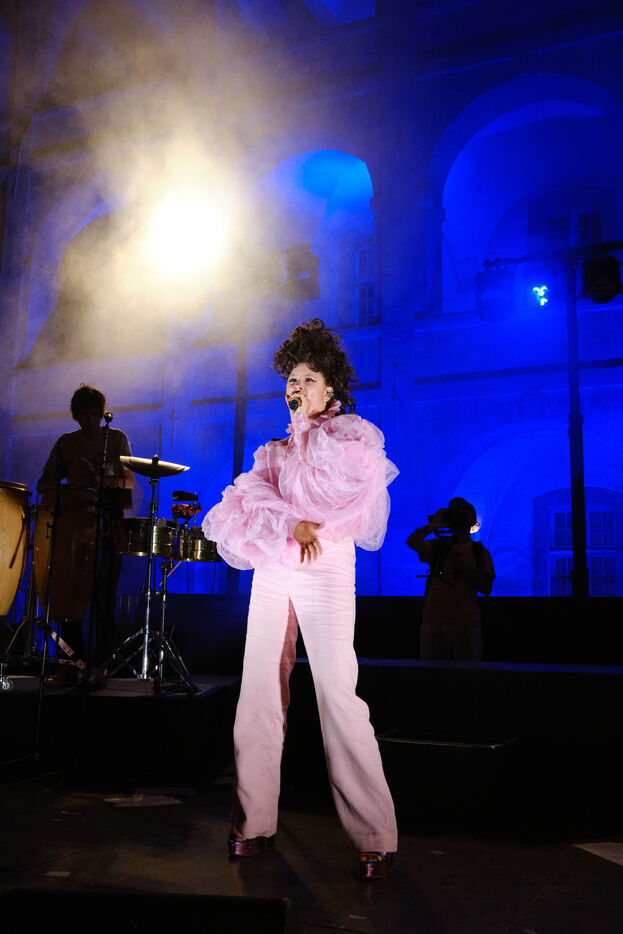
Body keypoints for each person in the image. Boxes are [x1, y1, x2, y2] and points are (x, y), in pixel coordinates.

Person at [202, 318, 398, 879]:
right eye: (292, 379)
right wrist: (291, 521)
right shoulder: (274, 451)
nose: (297, 387)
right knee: (259, 690)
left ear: (330, 387)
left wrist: (298, 505)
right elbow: (248, 500)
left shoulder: (349, 439)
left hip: (325, 564)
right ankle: (253, 823)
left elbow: (339, 496)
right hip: (275, 565)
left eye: (309, 379)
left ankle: (375, 835)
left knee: (337, 691)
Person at [37, 384, 134, 682]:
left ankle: (101, 665)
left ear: (102, 414)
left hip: (108, 526)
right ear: (76, 416)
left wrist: (100, 480)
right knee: (69, 596)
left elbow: (129, 481)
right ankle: (71, 664)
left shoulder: (116, 439)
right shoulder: (66, 443)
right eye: (84, 415)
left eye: (95, 414)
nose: (91, 421)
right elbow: (44, 483)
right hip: (73, 530)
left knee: (104, 598)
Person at [406, 498, 495, 662]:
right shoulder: (439, 547)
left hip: (460, 622)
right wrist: (432, 527)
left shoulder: (479, 552)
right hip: (441, 621)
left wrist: (464, 567)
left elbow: (486, 588)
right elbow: (411, 542)